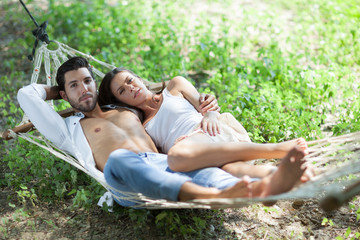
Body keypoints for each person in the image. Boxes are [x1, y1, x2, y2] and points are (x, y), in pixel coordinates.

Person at [17, 56, 307, 208]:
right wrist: (57, 91)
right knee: (119, 159)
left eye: (87, 81)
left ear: (96, 84)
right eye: (74, 86)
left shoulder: (126, 109)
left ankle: (276, 184)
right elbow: (26, 96)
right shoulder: (67, 128)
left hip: (166, 167)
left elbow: (158, 103)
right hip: (127, 181)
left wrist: (208, 107)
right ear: (63, 96)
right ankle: (207, 198)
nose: (84, 89)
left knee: (221, 176)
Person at [97, 68, 310, 179]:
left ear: (138, 78)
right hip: (196, 157)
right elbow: (153, 156)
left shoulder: (174, 86)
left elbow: (205, 106)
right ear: (119, 101)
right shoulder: (140, 126)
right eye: (122, 91)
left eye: (130, 80)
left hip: (207, 133)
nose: (131, 88)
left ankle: (276, 149)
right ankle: (282, 176)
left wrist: (210, 115)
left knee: (176, 157)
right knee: (231, 171)